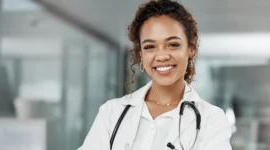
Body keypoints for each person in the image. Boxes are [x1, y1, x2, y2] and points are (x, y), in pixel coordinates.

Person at [78, 0, 232, 150]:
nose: (162, 56)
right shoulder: (112, 113)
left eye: (173, 45)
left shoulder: (211, 119)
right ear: (141, 54)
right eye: (150, 47)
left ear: (191, 48)